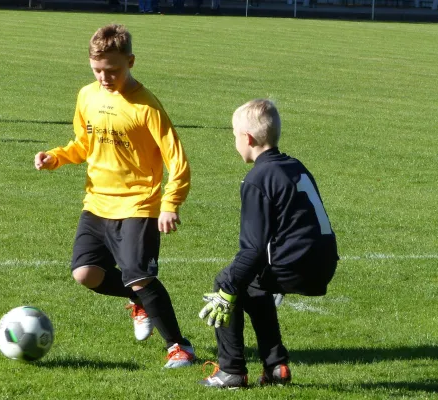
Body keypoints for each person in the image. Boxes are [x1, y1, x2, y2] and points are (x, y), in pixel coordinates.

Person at [34, 24, 195, 369]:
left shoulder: (147, 106)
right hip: (97, 201)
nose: (105, 77)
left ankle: (180, 346)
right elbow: (84, 143)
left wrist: (170, 204)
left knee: (139, 274)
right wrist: (56, 157)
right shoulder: (87, 96)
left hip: (139, 202)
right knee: (85, 274)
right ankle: (138, 302)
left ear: (131, 62)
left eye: (114, 70)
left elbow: (178, 161)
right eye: (98, 70)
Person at [198, 99, 338, 388]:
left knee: (228, 280)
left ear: (247, 138)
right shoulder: (294, 165)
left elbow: (253, 249)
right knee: (251, 285)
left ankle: (231, 371)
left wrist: (227, 291)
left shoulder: (258, 179)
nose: (234, 141)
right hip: (324, 262)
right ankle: (276, 368)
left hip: (296, 266)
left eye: (234, 135)